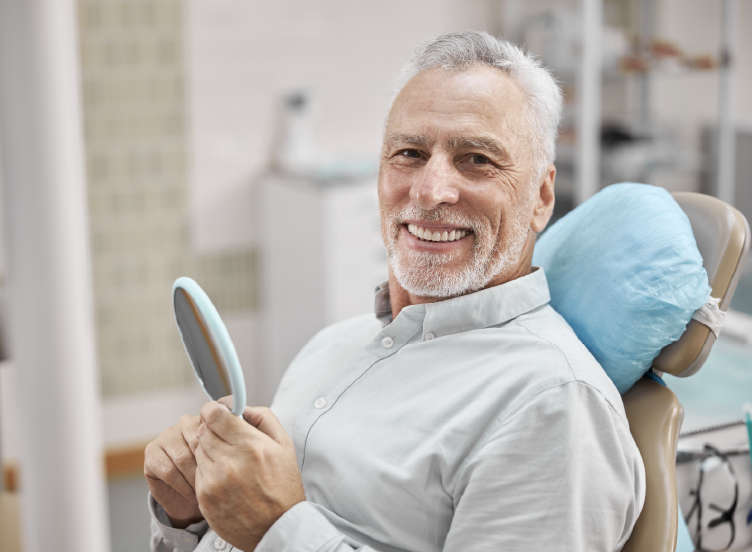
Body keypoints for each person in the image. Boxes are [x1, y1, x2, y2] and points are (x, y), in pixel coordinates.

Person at [145, 31, 646, 551]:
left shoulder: (552, 406)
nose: (429, 191)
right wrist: (190, 518)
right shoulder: (333, 346)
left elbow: (270, 529)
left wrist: (278, 528)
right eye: (409, 153)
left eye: (476, 159)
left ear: (542, 197)